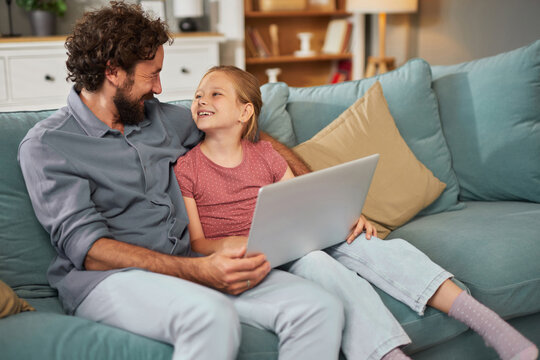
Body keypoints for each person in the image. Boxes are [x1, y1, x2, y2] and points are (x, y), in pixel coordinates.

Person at [17, 3, 347, 360]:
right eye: (152, 74)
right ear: (112, 71)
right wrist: (197, 270)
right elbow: (91, 251)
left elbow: (250, 137)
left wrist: (321, 197)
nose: (159, 88)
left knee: (319, 308)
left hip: (191, 265)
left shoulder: (162, 119)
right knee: (209, 315)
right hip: (110, 281)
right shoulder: (48, 145)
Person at [175, 65, 538, 360]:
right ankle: (389, 356)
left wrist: (344, 217)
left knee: (374, 246)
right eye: (197, 95)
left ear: (245, 110)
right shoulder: (187, 168)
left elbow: (302, 203)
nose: (201, 100)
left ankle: (491, 326)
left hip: (296, 240)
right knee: (320, 264)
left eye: (214, 93)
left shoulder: (266, 156)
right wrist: (241, 242)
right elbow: (199, 243)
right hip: (254, 256)